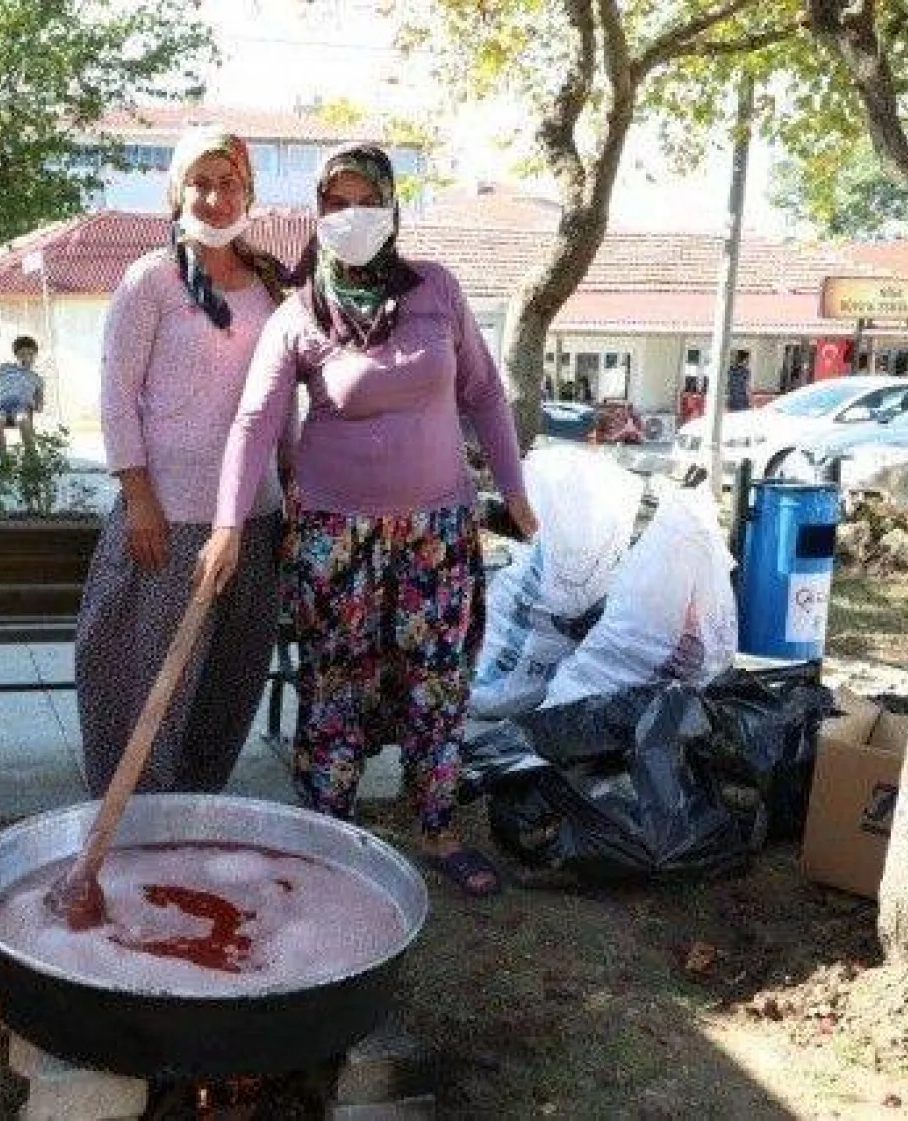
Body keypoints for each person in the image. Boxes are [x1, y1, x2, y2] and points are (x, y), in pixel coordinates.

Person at [195, 144, 540, 898]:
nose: (347, 216)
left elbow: (483, 394)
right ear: (317, 214)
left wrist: (514, 490)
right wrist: (226, 525)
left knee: (436, 683)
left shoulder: (437, 292)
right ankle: (327, 836)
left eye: (362, 200)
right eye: (332, 202)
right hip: (333, 535)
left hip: (435, 534)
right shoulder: (299, 313)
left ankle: (438, 827)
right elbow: (256, 421)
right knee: (335, 687)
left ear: (390, 209)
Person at [74, 127, 294, 795]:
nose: (214, 197)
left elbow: (286, 401)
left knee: (229, 680)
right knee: (148, 682)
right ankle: (134, 817)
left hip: (253, 521)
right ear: (176, 191)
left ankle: (196, 812)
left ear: (247, 191)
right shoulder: (151, 279)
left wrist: (293, 491)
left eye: (228, 183)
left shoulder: (271, 285)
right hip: (168, 523)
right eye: (199, 182)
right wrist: (139, 496)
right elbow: (115, 395)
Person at [0, 336, 44, 459]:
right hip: (0, 406)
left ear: (35, 356)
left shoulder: (37, 378)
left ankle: (32, 458)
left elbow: (39, 406)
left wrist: (33, 404)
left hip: (20, 408)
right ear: (16, 355)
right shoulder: (3, 368)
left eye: (30, 354)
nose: (26, 358)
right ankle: (4, 461)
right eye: (22, 354)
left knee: (24, 421)